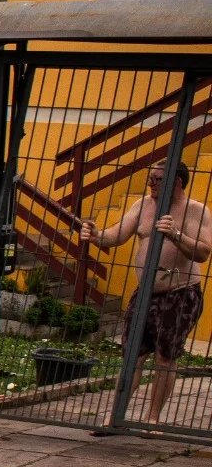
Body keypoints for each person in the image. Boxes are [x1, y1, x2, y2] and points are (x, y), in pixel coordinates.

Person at [80, 160, 212, 423]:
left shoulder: (197, 211)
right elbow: (115, 236)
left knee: (165, 357)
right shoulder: (142, 205)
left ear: (176, 182)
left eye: (156, 179)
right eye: (149, 178)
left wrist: (175, 234)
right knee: (133, 355)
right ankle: (116, 417)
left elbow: (203, 252)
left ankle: (152, 419)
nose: (150, 183)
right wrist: (96, 234)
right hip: (145, 294)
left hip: (180, 293)